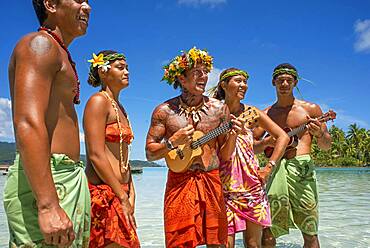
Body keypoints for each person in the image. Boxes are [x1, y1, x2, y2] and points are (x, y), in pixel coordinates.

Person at [3, 0, 91, 247]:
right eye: (78, 0)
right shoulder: (39, 45)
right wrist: (48, 204)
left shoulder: (58, 51)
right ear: (51, 4)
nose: (87, 7)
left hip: (65, 178)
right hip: (49, 181)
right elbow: (28, 122)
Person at [145, 47, 244, 248]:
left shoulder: (219, 109)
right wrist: (172, 142)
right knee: (178, 242)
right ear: (181, 78)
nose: (204, 77)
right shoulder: (164, 112)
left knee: (217, 242)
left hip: (211, 179)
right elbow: (149, 153)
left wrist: (233, 136)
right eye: (197, 72)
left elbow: (224, 155)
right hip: (179, 182)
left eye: (206, 72)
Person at [253, 63, 332, 248]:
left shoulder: (311, 109)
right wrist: (265, 143)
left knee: (310, 228)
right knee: (268, 228)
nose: (285, 84)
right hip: (274, 169)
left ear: (295, 83)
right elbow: (251, 147)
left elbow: (326, 146)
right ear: (273, 82)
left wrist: (320, 134)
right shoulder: (266, 114)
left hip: (302, 170)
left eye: (289, 80)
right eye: (280, 80)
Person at [212, 68, 289, 248]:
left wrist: (268, 168)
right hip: (224, 185)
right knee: (224, 243)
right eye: (238, 81)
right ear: (224, 84)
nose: (244, 86)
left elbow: (283, 137)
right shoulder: (214, 113)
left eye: (245, 82)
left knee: (253, 244)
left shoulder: (252, 113)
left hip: (252, 184)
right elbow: (223, 155)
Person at [84, 50, 140, 248]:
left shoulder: (120, 108)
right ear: (103, 72)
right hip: (104, 193)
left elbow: (124, 155)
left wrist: (131, 190)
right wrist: (121, 195)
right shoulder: (98, 101)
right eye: (120, 67)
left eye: (127, 68)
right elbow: (96, 155)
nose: (127, 72)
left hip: (121, 191)